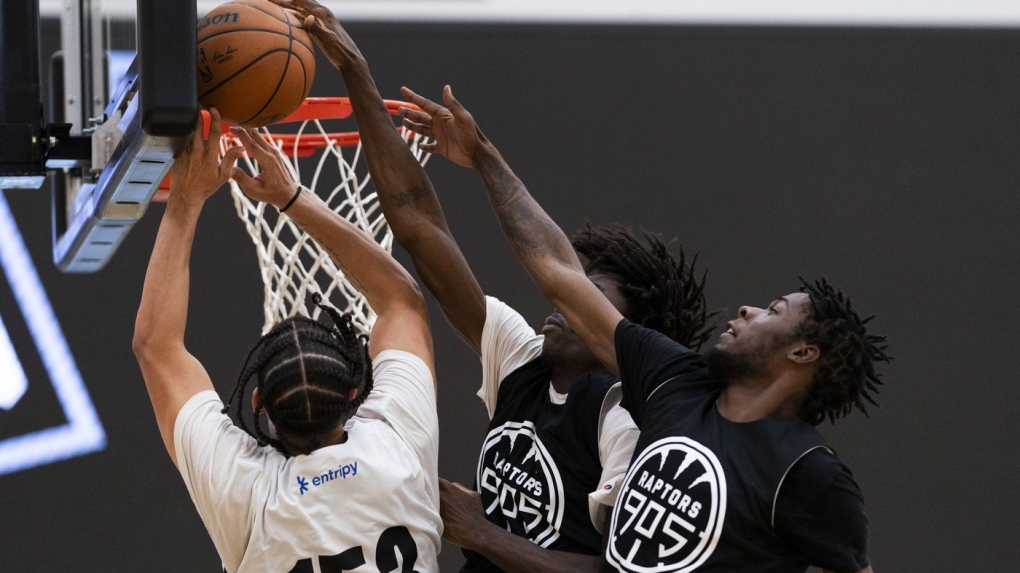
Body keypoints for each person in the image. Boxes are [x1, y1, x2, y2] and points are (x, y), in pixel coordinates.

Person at [273, 2, 714, 571]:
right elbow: (419, 226)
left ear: (628, 330)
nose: (561, 300)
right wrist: (356, 71)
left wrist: (482, 533)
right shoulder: (522, 358)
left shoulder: (622, 420)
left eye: (588, 293)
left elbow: (621, 570)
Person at [398, 85, 890, 573]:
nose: (747, 310)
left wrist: (483, 534)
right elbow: (559, 274)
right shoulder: (675, 383)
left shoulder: (809, 471)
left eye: (773, 310)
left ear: (804, 353)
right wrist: (484, 155)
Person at [132, 108, 441, 572]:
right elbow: (402, 301)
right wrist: (290, 197)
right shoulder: (398, 447)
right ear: (356, 392)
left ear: (259, 402)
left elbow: (157, 346)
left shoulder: (247, 493)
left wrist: (186, 202)